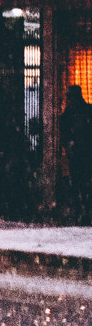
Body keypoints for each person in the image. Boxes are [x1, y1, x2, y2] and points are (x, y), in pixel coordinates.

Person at [64, 85, 92, 224]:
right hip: (82, 155)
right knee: (82, 184)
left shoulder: (70, 114)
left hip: (81, 155)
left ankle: (81, 212)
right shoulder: (85, 111)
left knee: (80, 184)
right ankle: (82, 211)